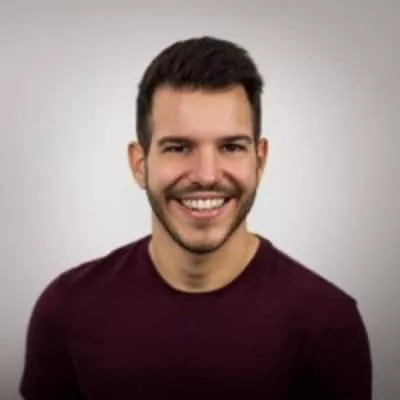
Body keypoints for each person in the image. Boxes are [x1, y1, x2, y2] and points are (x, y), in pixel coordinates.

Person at [20, 36, 372, 399]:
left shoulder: (328, 323)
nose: (206, 175)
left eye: (231, 147)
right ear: (139, 164)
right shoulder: (66, 310)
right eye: (179, 147)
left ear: (260, 160)